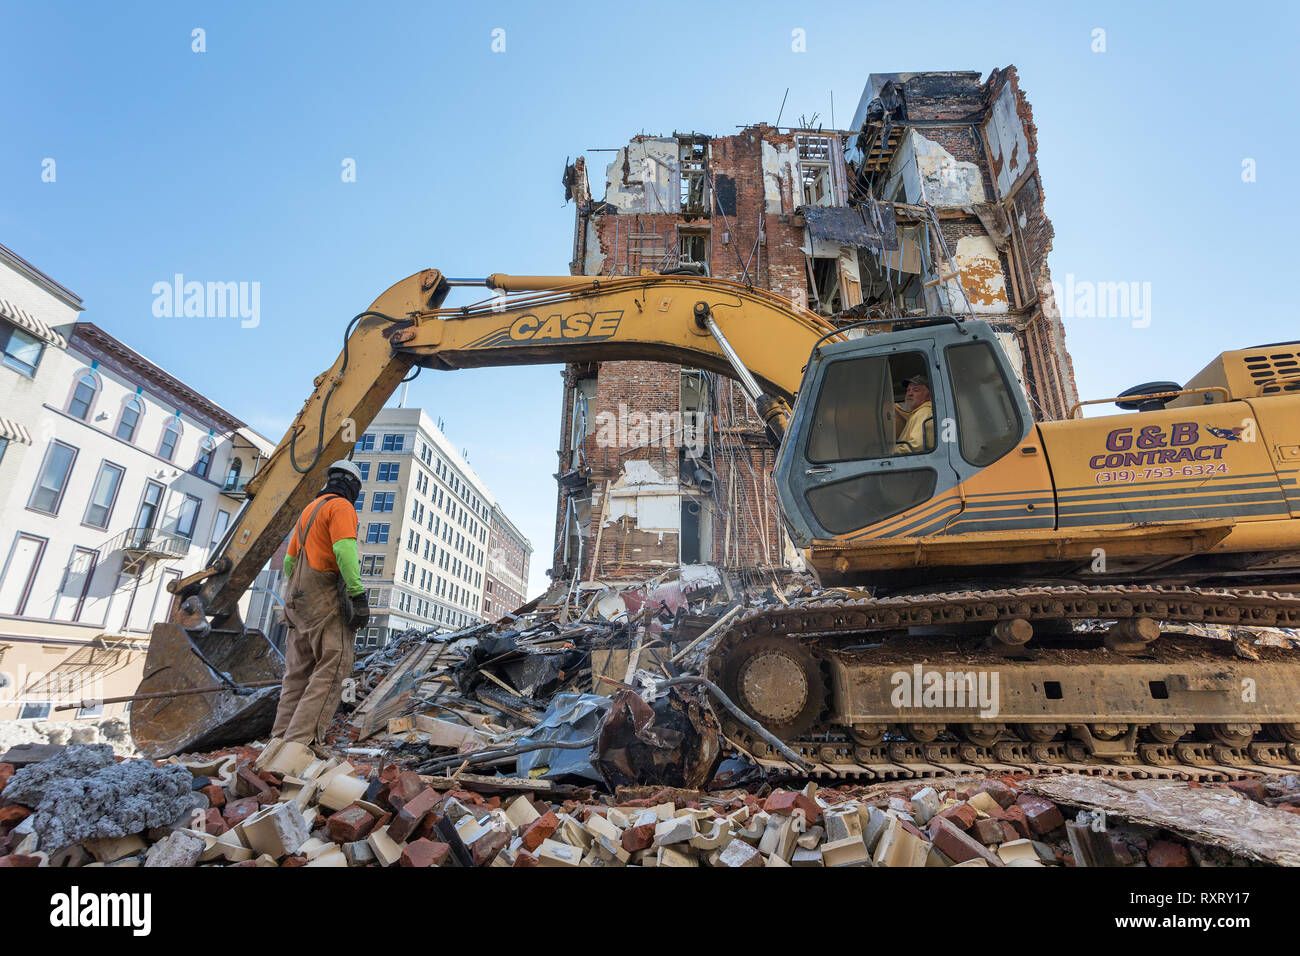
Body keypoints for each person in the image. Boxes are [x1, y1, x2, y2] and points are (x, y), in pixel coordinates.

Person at [271, 459, 369, 745]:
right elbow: (343, 548)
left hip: (295, 601)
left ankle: (277, 742)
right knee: (334, 665)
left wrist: (299, 592)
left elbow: (290, 561)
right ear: (353, 486)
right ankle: (299, 746)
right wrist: (356, 592)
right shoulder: (341, 507)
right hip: (324, 597)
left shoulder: (308, 510)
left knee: (296, 675)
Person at [893, 374, 935, 455]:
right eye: (908, 390)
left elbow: (916, 447)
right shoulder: (914, 414)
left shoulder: (924, 412)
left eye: (916, 390)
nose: (910, 394)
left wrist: (889, 452)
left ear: (928, 396)